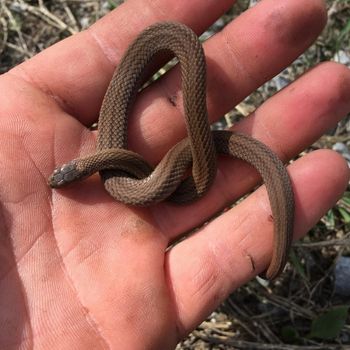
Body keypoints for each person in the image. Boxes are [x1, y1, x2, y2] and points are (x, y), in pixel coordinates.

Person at [0, 0, 349, 348]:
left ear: (77, 173)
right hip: (153, 173)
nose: (63, 178)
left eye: (65, 176)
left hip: (162, 155)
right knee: (190, 179)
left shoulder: (114, 175)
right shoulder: (117, 179)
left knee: (198, 169)